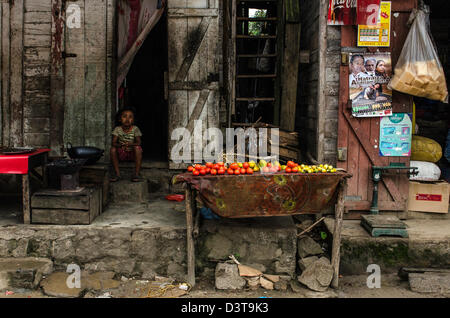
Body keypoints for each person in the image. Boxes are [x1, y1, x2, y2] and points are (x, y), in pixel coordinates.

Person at [110, 108, 143, 182]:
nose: (127, 119)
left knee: (138, 148)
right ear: (119, 119)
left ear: (133, 120)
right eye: (124, 116)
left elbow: (139, 142)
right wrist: (120, 145)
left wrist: (131, 144)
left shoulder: (135, 129)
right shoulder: (117, 129)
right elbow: (114, 143)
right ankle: (117, 174)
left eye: (130, 117)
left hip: (132, 154)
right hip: (122, 153)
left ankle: (136, 174)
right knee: (112, 149)